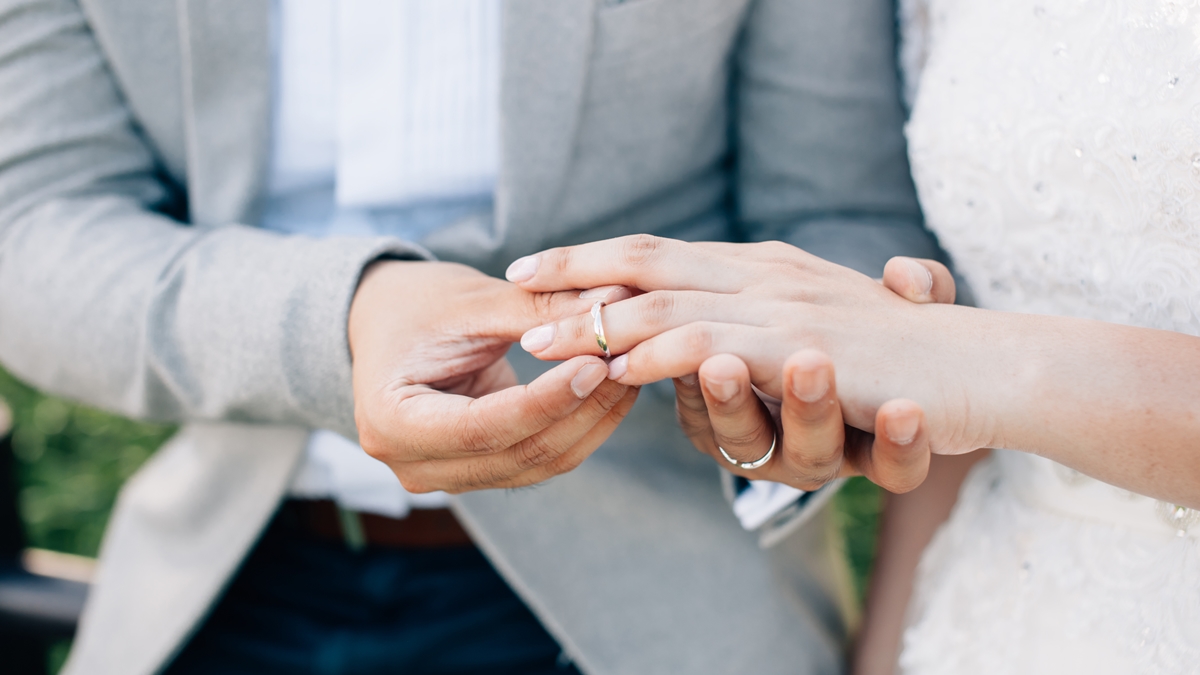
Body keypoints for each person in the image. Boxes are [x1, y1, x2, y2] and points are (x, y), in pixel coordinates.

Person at [0, 0, 950, 673]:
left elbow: (838, 208)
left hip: (655, 593)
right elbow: (34, 230)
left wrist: (786, 361)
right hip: (223, 575)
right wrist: (348, 316)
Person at [506, 0, 1200, 672]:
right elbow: (952, 399)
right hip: (994, 607)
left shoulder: (963, 361)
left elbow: (950, 365)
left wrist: (961, 357)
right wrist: (885, 650)